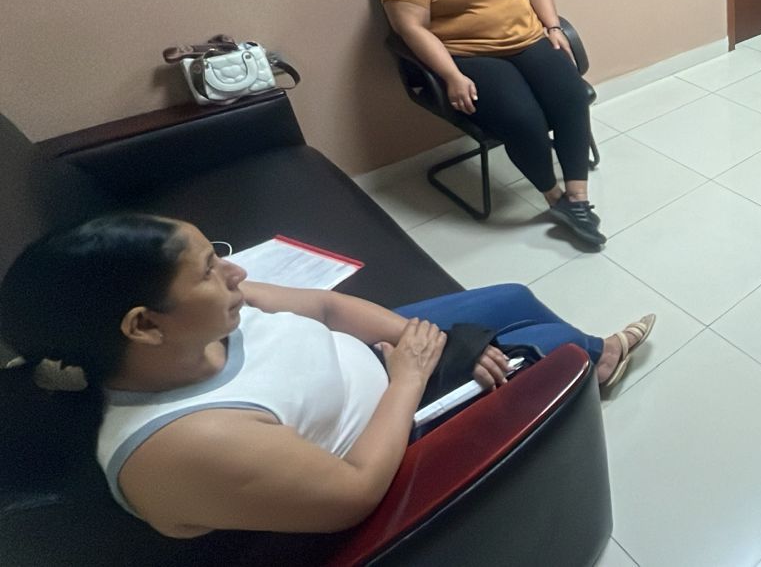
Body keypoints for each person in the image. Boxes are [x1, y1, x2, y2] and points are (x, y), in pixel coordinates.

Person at [0, 215, 654, 538]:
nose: (235, 271)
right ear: (143, 325)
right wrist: (410, 374)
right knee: (549, 352)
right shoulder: (179, 445)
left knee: (510, 296)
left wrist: (406, 336)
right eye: (207, 270)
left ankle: (599, 355)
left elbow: (325, 306)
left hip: (391, 363)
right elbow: (355, 491)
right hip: (393, 433)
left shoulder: (207, 320)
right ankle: (591, 366)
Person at [380, 0, 603, 249]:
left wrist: (553, 27)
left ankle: (577, 200)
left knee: (571, 96)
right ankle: (555, 198)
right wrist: (451, 75)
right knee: (523, 119)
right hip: (471, 55)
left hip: (527, 39)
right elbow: (411, 28)